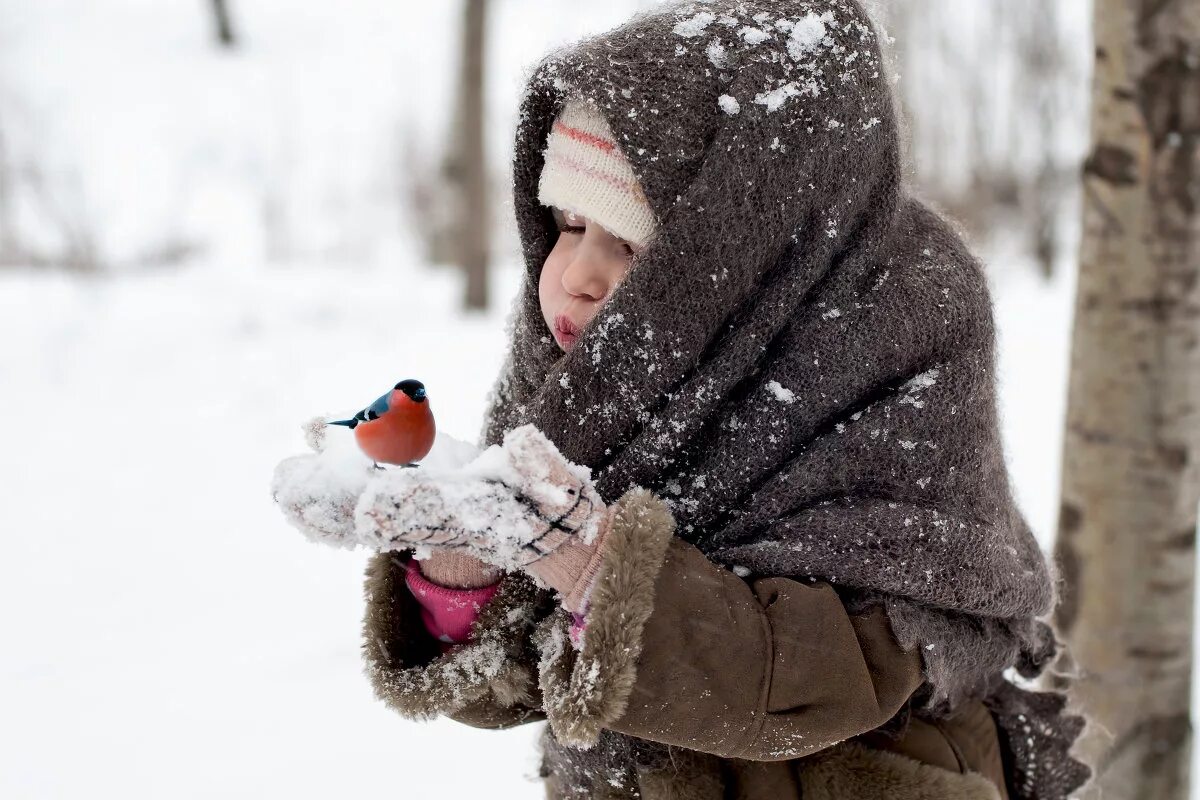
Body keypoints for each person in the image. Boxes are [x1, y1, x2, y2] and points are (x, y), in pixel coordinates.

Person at [281, 1, 1092, 798]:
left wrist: (596, 568)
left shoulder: (896, 329)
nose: (576, 275)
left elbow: (827, 682)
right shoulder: (589, 374)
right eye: (566, 224)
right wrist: (467, 573)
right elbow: (528, 679)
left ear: (737, 247)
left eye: (626, 242)